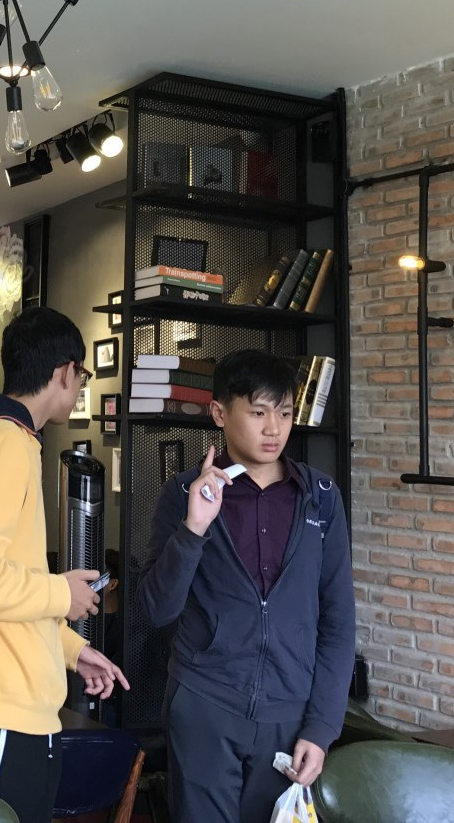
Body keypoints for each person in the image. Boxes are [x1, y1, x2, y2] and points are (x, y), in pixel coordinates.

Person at [136, 349, 355, 823]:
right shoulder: (185, 493)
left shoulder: (320, 499)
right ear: (219, 413)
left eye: (285, 413)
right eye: (258, 413)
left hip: (288, 714)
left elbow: (338, 622)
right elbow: (156, 609)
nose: (274, 429)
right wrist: (194, 528)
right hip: (206, 704)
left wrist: (321, 727)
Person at [0, 307, 129, 823]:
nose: (79, 386)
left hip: (16, 709)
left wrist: (72, 650)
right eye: (82, 375)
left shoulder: (12, 439)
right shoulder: (2, 441)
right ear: (64, 371)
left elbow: (8, 585)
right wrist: (62, 593)